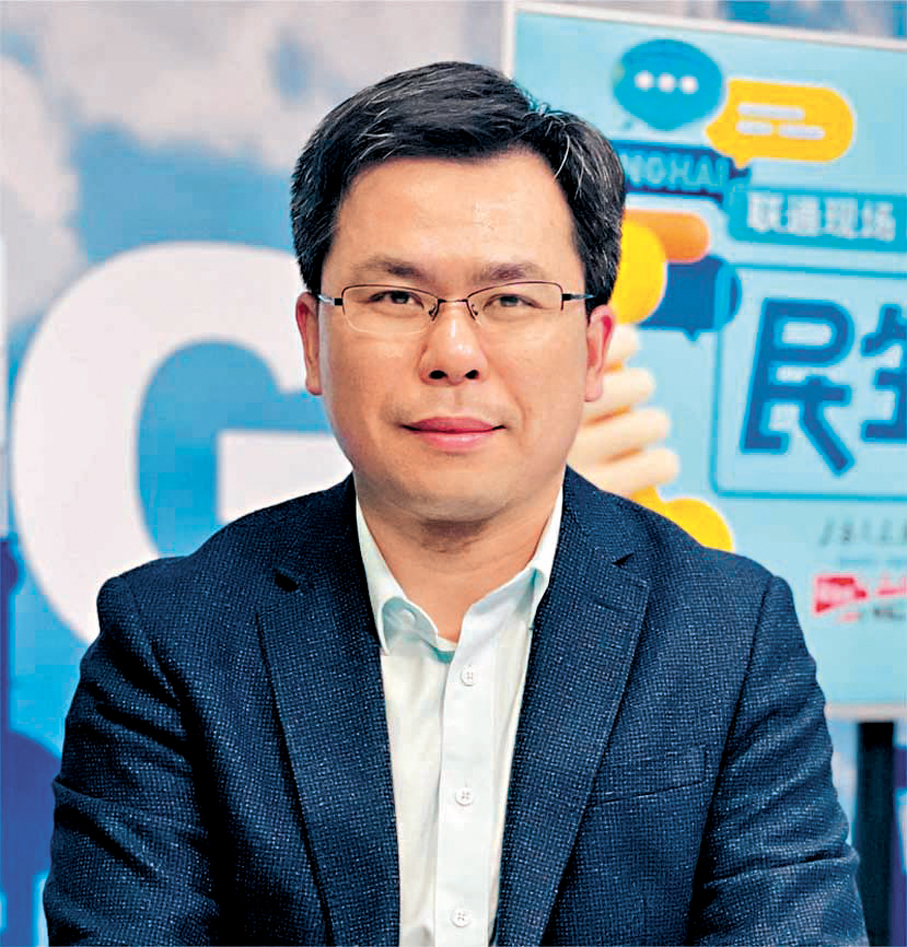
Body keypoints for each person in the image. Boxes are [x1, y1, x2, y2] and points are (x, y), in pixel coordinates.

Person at [45, 61, 866, 946]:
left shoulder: (728, 634)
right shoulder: (172, 639)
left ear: (593, 349)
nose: (453, 352)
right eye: (396, 296)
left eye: (509, 298)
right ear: (313, 340)